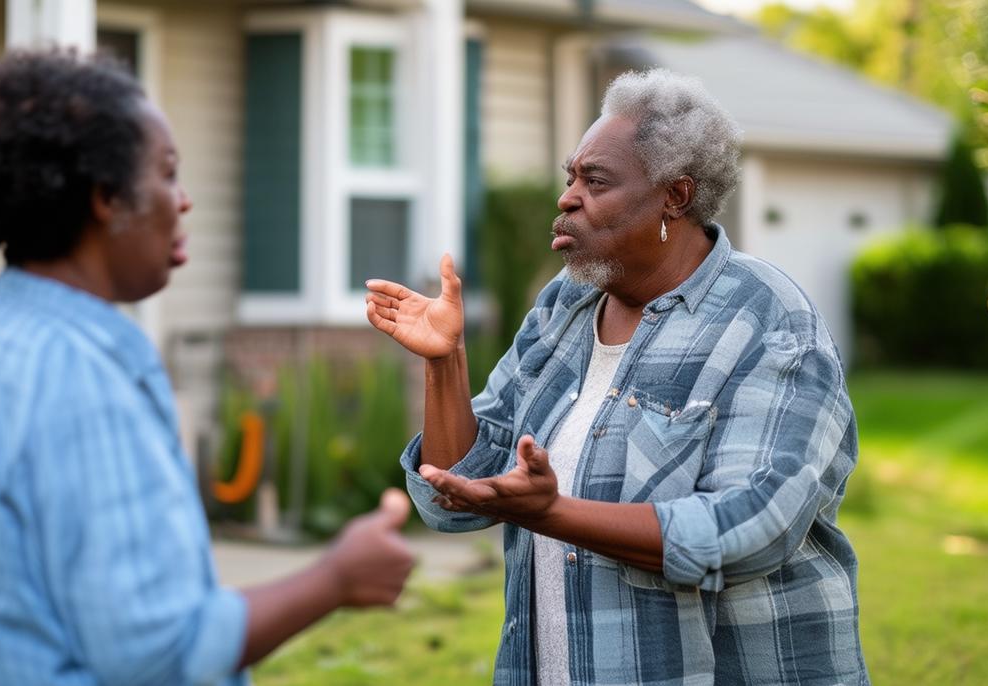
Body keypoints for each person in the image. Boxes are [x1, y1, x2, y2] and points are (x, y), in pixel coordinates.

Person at [0, 49, 414, 686]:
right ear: (106, 196)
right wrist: (335, 579)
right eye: (166, 173)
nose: (182, 201)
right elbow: (159, 654)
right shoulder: (86, 380)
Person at [365, 68, 868, 685]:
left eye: (595, 180)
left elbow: (752, 527)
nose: (567, 197)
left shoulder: (767, 320)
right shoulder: (566, 304)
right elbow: (458, 496)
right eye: (569, 176)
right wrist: (445, 361)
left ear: (674, 197)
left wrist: (551, 513)